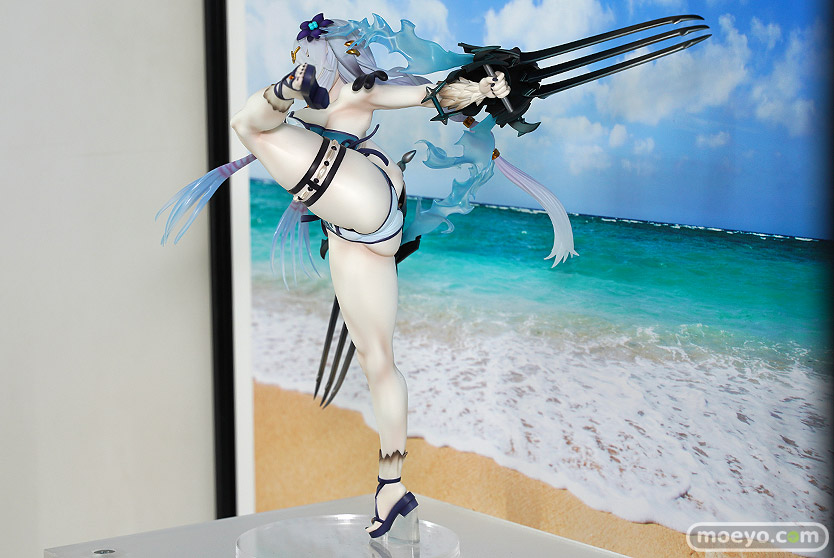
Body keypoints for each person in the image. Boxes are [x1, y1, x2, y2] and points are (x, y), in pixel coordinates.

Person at [229, 14, 509, 538]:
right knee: (376, 359)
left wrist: (481, 90)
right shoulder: (324, 102)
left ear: (332, 55)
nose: (307, 56)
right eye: (302, 59)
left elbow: (430, 96)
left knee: (248, 127)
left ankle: (284, 92)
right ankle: (391, 487)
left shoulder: (359, 89)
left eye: (310, 55)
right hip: (353, 231)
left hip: (363, 192)